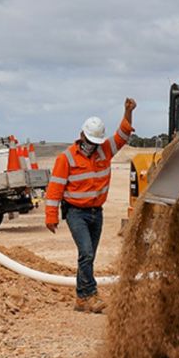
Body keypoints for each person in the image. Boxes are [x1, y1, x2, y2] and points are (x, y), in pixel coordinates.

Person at [45, 98, 136, 312]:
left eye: (96, 142)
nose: (92, 145)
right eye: (89, 140)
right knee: (85, 253)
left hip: (97, 212)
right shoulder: (66, 158)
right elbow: (55, 189)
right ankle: (90, 294)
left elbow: (123, 135)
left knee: (89, 255)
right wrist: (51, 216)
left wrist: (128, 111)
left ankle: (80, 298)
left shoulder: (104, 150)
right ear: (81, 135)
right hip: (76, 212)